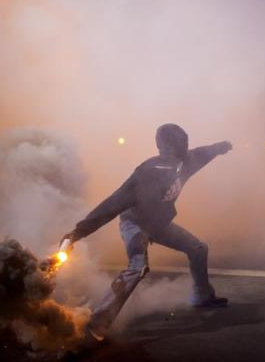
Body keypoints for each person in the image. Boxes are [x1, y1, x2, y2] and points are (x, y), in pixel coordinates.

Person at [60, 123, 232, 340]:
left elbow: (203, 153)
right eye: (177, 143)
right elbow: (112, 204)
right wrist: (77, 233)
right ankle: (99, 320)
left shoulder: (186, 161)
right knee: (138, 267)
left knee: (198, 249)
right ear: (162, 146)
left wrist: (221, 147)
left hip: (158, 224)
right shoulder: (147, 172)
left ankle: (202, 296)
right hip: (135, 225)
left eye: (184, 141)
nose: (183, 147)